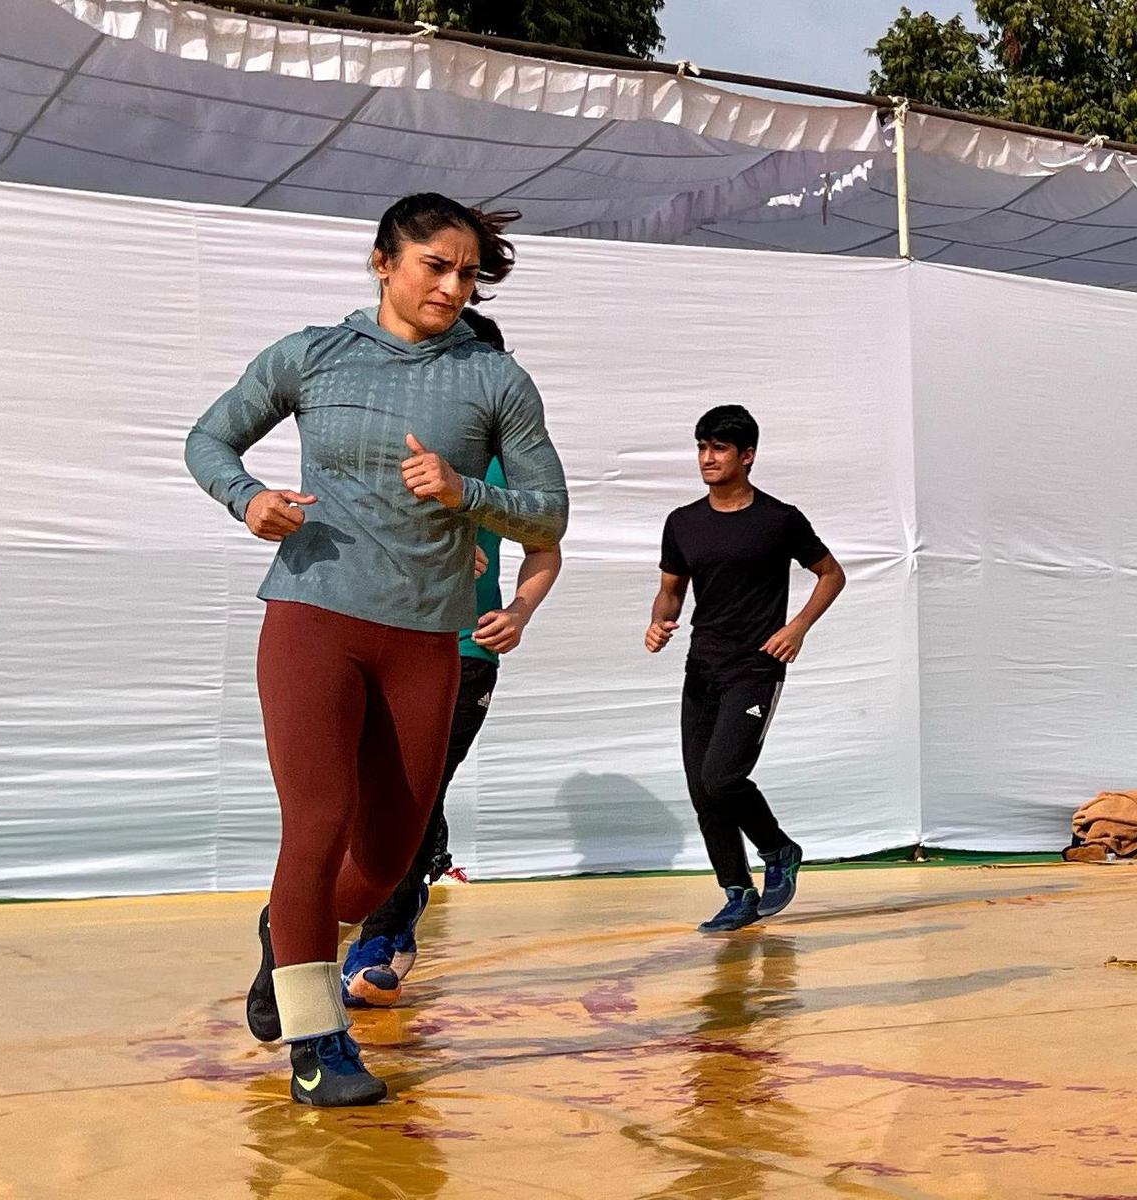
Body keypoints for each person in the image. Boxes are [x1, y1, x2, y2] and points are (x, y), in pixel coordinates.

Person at [185, 193, 568, 1106]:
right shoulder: (312, 354)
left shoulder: (494, 379)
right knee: (317, 823)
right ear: (383, 261)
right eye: (437, 265)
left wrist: (463, 488)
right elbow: (209, 437)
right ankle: (319, 1042)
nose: (453, 285)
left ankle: (289, 934)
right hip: (313, 616)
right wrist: (247, 499)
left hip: (425, 640)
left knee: (389, 855)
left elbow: (548, 513)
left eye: (468, 272)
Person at [244, 313, 562, 1026]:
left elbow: (547, 536)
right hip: (349, 629)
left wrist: (517, 607)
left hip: (460, 652)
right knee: (330, 816)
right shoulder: (371, 423)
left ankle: (358, 935)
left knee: (408, 819)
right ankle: (322, 987)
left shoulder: (498, 447)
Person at [645, 405, 844, 933]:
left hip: (754, 669)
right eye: (701, 447)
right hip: (701, 670)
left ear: (747, 456)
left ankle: (778, 850)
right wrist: (658, 625)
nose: (707, 458)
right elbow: (670, 592)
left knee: (723, 776)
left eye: (719, 448)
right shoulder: (683, 522)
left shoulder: (779, 519)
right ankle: (736, 892)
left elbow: (830, 574)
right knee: (701, 786)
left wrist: (797, 626)